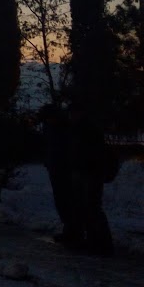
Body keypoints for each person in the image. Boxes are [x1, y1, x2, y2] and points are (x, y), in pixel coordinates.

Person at [66, 105, 114, 256]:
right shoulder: (76, 129)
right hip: (81, 171)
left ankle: (102, 243)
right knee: (84, 207)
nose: (71, 116)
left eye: (73, 113)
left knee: (92, 207)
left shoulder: (89, 130)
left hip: (90, 173)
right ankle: (94, 240)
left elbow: (95, 153)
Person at [40, 103, 76, 245]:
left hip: (64, 169)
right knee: (61, 201)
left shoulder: (64, 128)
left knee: (68, 200)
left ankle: (72, 231)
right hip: (55, 167)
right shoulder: (50, 127)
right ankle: (69, 230)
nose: (48, 120)